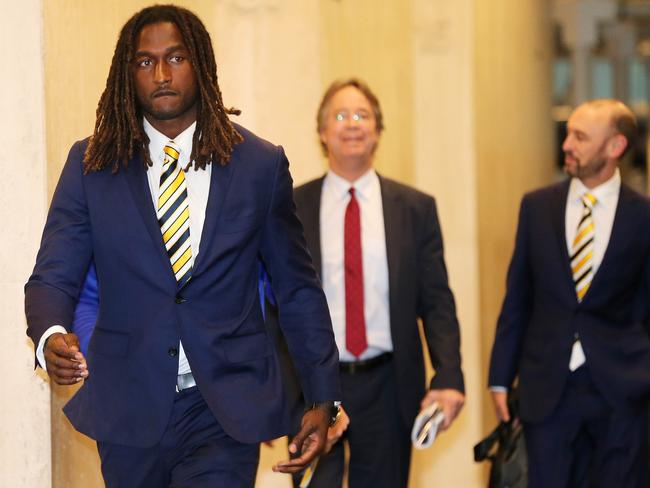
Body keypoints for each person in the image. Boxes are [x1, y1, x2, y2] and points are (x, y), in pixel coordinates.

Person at [24, 5, 341, 487]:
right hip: (129, 407)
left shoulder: (258, 164)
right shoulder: (92, 164)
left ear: (201, 64)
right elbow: (53, 274)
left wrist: (322, 396)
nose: (163, 74)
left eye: (176, 57)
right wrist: (50, 335)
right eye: (146, 62)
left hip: (223, 408)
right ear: (127, 75)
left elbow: (296, 287)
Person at [290, 78, 465, 488]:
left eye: (362, 115)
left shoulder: (415, 209)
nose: (352, 124)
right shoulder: (293, 208)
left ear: (378, 130)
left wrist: (449, 375)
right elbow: (276, 305)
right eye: (340, 115)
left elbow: (437, 301)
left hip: (389, 384)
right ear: (321, 131)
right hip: (316, 383)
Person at [488, 99, 650, 487]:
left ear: (615, 147)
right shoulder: (536, 207)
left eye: (580, 136)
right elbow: (518, 298)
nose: (567, 145)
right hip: (547, 387)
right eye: (569, 134)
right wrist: (499, 377)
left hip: (622, 389)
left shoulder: (643, 216)